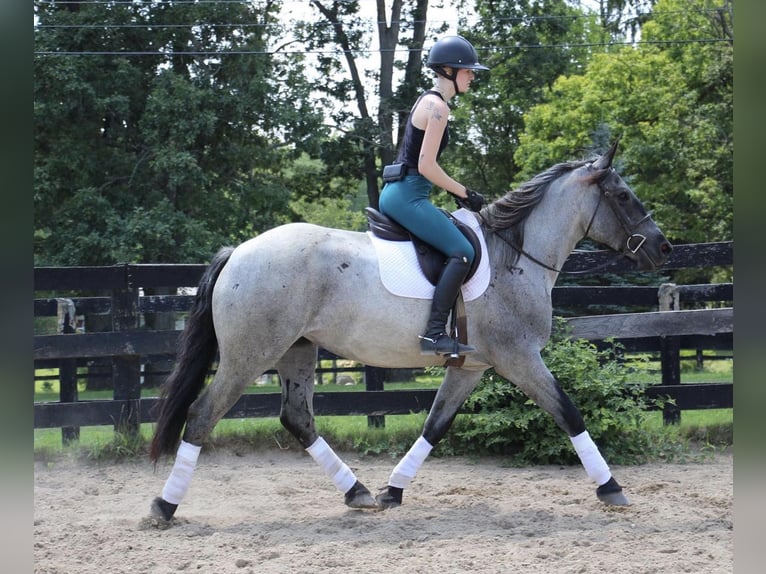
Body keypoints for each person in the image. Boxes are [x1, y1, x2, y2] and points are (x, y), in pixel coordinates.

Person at [379, 35, 489, 356]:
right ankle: (433, 334)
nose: (472, 75)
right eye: (468, 70)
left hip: (406, 192)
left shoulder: (429, 102)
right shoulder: (437, 107)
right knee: (463, 250)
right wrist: (465, 193)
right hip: (407, 196)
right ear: (449, 70)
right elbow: (427, 166)